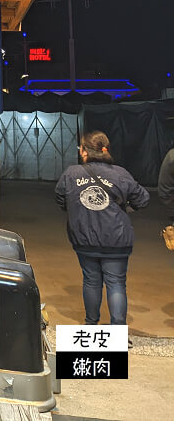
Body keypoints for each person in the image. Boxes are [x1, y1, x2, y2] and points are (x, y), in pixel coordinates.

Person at [54, 130, 149, 325]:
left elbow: (60, 199)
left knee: (91, 281)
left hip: (84, 238)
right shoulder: (120, 174)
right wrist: (125, 208)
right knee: (116, 284)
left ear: (84, 151)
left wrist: (77, 211)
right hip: (116, 239)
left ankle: (90, 325)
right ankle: (118, 332)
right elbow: (143, 199)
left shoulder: (71, 174)